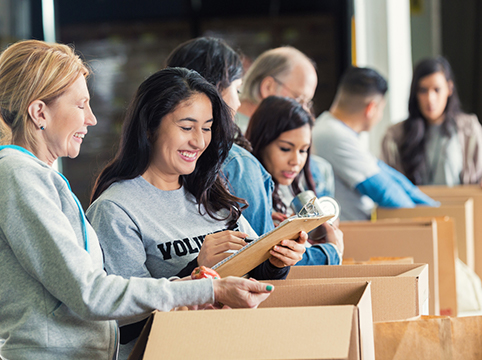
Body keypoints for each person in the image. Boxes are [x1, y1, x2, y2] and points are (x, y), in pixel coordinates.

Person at [0, 40, 274, 360]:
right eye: (80, 105)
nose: (91, 119)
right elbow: (90, 292)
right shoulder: (18, 174)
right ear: (39, 112)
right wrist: (206, 287)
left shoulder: (33, 175)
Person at [86, 67, 305, 357]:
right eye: (187, 128)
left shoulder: (210, 192)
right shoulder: (115, 209)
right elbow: (124, 326)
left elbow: (252, 278)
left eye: (207, 128)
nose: (200, 142)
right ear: (150, 128)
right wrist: (196, 269)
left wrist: (277, 260)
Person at [165, 37, 274, 236]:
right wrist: (330, 250)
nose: (238, 103)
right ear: (214, 89)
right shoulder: (237, 163)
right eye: (237, 89)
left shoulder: (156, 158)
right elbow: (264, 255)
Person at [312, 66, 438, 221]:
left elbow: (386, 174)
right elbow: (385, 192)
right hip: (352, 236)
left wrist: (432, 206)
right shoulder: (332, 135)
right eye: (381, 109)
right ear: (371, 108)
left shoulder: (336, 130)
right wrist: (429, 217)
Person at [246, 96, 343, 265]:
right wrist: (330, 252)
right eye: (285, 149)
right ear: (261, 142)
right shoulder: (247, 192)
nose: (296, 161)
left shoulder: (292, 189)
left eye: (303, 150)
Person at [238, 45, 335, 198]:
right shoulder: (234, 137)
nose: (304, 111)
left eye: (307, 104)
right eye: (299, 99)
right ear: (268, 87)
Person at [381, 56, 482, 186]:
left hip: (460, 204)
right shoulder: (395, 136)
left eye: (437, 90)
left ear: (449, 89)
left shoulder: (469, 128)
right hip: (415, 206)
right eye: (423, 90)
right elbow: (386, 183)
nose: (430, 98)